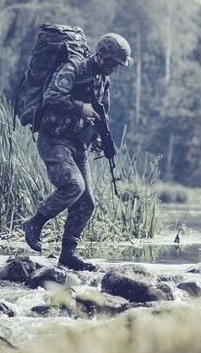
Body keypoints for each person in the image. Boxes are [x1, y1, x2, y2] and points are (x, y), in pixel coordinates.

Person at [23, 33, 133, 271]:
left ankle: (68, 255)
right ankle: (35, 222)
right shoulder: (74, 68)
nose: (115, 68)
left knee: (87, 202)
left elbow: (98, 113)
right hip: (54, 138)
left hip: (77, 144)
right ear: (101, 55)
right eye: (112, 62)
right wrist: (79, 107)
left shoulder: (104, 82)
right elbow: (52, 96)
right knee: (74, 185)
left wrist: (96, 138)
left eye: (118, 65)